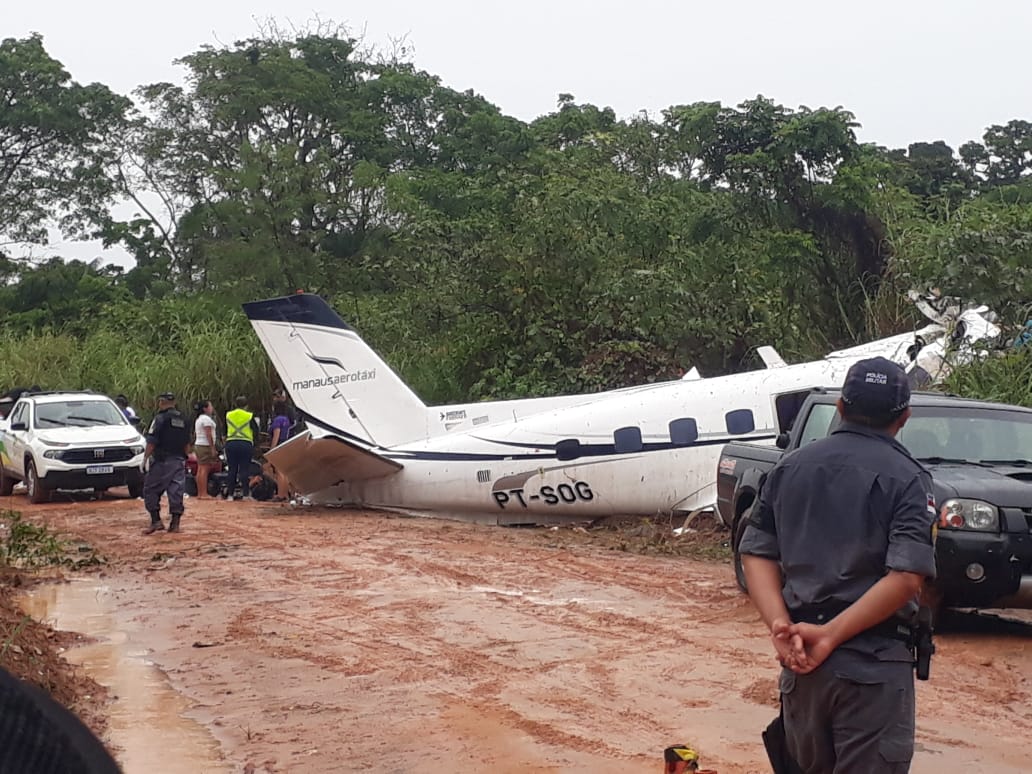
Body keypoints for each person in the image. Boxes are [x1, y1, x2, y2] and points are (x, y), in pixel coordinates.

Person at [739, 356, 937, 774]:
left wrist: (780, 625)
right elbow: (904, 577)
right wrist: (829, 635)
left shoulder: (789, 468)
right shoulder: (909, 479)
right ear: (904, 417)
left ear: (840, 409)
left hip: (802, 665)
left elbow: (756, 552)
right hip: (872, 668)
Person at [141, 392, 191, 534]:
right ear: (174, 402)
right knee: (176, 491)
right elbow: (187, 443)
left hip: (162, 461)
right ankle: (175, 524)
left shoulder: (160, 418)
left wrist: (145, 458)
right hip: (179, 461)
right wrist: (185, 459)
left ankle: (156, 521)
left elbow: (152, 441)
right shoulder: (184, 419)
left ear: (161, 402)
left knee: (150, 489)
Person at [224, 396, 259, 501]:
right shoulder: (249, 415)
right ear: (246, 405)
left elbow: (224, 430)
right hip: (245, 443)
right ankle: (245, 494)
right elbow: (255, 431)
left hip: (231, 443)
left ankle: (230, 495)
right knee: (244, 469)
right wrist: (256, 444)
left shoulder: (228, 415)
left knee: (232, 469)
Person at [192, 400, 218, 499]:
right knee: (205, 469)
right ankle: (203, 493)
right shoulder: (206, 420)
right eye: (210, 406)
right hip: (205, 445)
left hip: (198, 444)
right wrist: (212, 447)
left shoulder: (199, 419)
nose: (212, 408)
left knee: (200, 468)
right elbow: (208, 434)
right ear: (205, 408)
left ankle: (200, 492)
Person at [268, 400, 292, 502]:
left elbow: (276, 434)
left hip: (279, 444)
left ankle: (280, 494)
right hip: (286, 444)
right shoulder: (287, 419)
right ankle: (286, 493)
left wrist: (272, 449)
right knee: (284, 471)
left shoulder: (277, 420)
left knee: (279, 471)